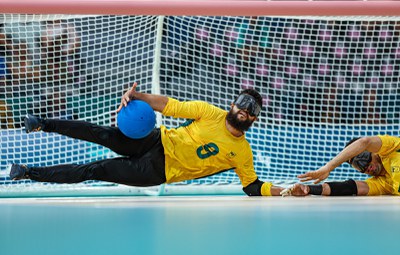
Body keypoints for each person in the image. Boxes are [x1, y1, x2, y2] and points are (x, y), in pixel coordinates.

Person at [10, 82, 285, 196]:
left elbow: (252, 186)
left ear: (254, 119)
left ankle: (27, 173)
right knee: (101, 133)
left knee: (96, 169)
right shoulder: (210, 112)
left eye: (252, 110)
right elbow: (170, 105)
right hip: (154, 140)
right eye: (242, 103)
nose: (244, 111)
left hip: (157, 170)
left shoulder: (243, 152)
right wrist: (137, 96)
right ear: (233, 104)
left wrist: (284, 190)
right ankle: (42, 124)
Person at [280, 135, 400, 196]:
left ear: (372, 150)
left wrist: (328, 167)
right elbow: (349, 187)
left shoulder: (391, 147)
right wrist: (309, 189)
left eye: (362, 157)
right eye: (358, 166)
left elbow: (365, 142)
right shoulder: (382, 184)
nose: (365, 165)